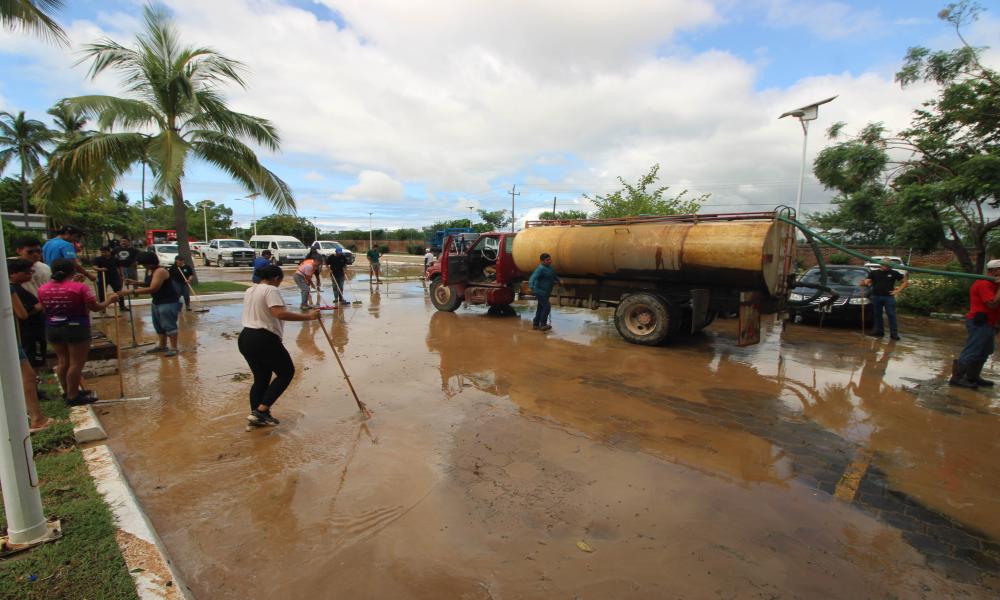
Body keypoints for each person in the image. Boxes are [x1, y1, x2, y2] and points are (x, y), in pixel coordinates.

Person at [238, 263, 320, 426]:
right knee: (286, 372)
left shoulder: (250, 290)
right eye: (280, 280)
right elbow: (280, 313)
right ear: (276, 278)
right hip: (263, 338)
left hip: (246, 337)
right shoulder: (271, 290)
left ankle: (258, 415)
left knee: (261, 378)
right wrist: (308, 317)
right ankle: (261, 411)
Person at [37, 259, 119, 405]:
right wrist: (110, 300)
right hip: (76, 328)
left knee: (63, 361)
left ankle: (68, 391)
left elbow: (44, 309)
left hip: (53, 327)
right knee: (76, 363)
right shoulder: (80, 288)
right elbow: (95, 307)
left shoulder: (43, 289)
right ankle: (73, 396)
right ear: (73, 271)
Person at [8, 259, 53, 431]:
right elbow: (22, 314)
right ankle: (37, 418)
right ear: (12, 273)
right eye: (27, 272)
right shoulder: (10, 288)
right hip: (19, 335)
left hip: (19, 335)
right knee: (27, 374)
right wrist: (39, 306)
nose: (30, 275)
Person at [949, 260, 1000, 389]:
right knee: (973, 350)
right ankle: (957, 377)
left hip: (990, 323)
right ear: (994, 271)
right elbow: (992, 304)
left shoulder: (994, 285)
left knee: (986, 350)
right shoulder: (984, 283)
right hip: (980, 322)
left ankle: (972, 376)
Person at [121, 252, 181, 356]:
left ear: (151, 262)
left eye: (145, 264)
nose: (144, 266)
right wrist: (135, 282)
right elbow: (149, 283)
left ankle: (174, 348)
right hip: (157, 301)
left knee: (169, 325)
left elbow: (153, 288)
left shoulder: (160, 271)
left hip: (168, 302)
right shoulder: (150, 271)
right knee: (158, 325)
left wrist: (131, 292)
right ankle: (162, 346)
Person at [13, 237, 50, 367]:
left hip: (41, 312)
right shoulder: (12, 269)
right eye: (30, 252)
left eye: (38, 251)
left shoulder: (45, 268)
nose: (35, 254)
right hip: (25, 314)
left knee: (40, 344)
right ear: (19, 251)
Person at [863, 262, 908, 340]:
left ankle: (894, 334)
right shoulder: (874, 272)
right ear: (881, 264)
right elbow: (867, 281)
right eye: (885, 265)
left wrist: (897, 291)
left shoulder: (894, 273)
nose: (886, 267)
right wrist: (864, 282)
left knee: (891, 315)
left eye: (888, 265)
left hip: (889, 297)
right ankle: (879, 331)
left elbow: (905, 282)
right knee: (877, 315)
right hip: (876, 296)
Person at [528, 252, 560, 331]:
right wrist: (531, 287)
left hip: (546, 292)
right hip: (540, 291)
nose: (550, 261)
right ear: (542, 261)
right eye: (547, 260)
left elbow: (554, 275)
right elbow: (533, 278)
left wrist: (559, 280)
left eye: (550, 259)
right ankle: (543, 324)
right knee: (546, 307)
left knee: (541, 307)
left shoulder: (550, 268)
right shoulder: (540, 269)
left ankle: (535, 324)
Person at [93, 245, 127, 313]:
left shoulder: (115, 259)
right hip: (102, 277)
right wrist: (100, 269)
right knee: (101, 293)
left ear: (109, 252)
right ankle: (103, 308)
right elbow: (94, 267)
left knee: (118, 291)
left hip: (114, 277)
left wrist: (122, 276)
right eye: (102, 252)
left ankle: (122, 306)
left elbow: (120, 267)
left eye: (105, 252)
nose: (103, 253)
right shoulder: (98, 259)